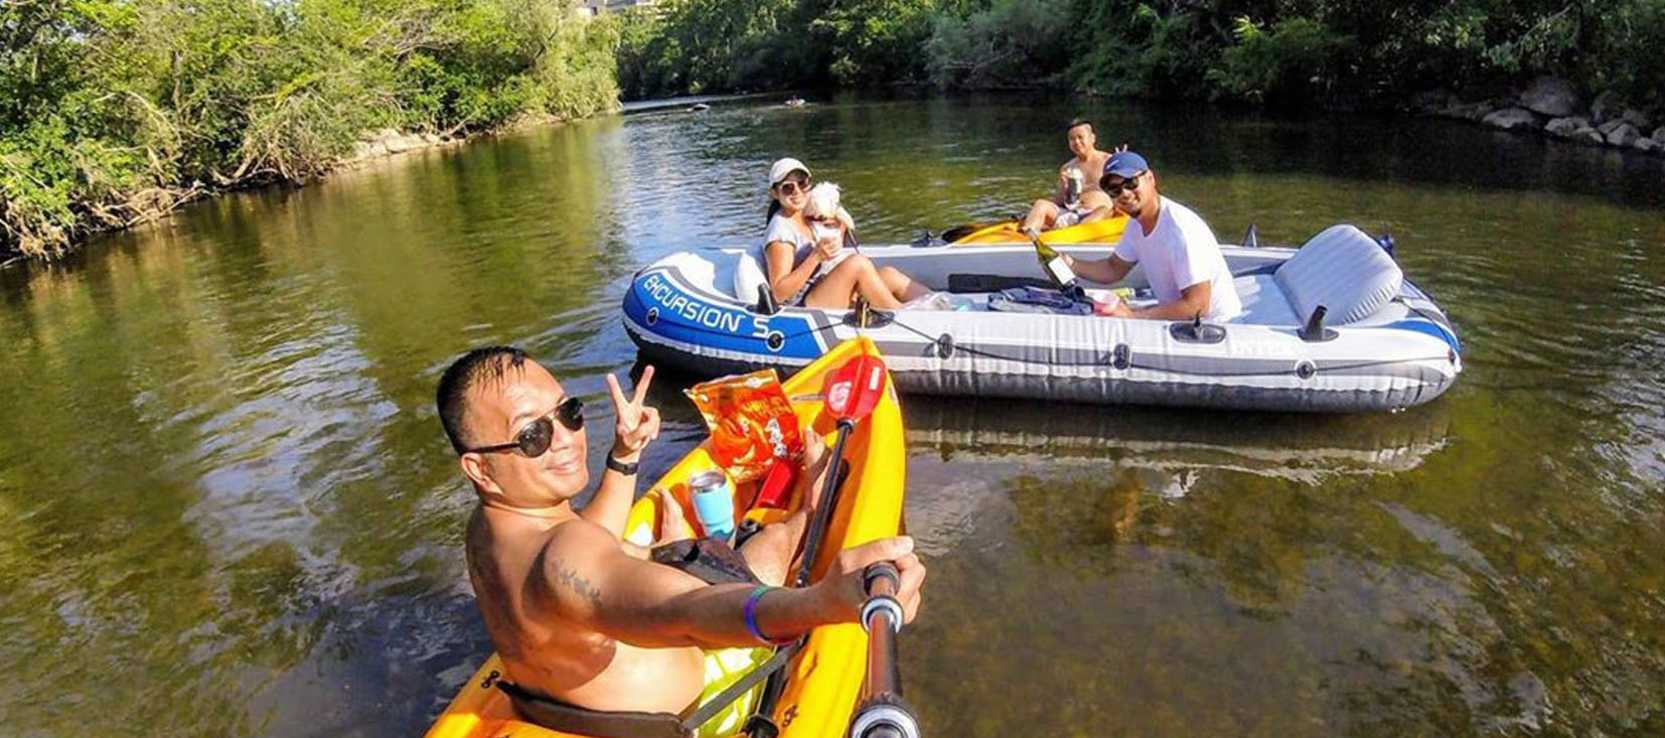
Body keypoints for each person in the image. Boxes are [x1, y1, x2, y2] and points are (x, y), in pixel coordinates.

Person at [435, 348, 925, 733]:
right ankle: (808, 513)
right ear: (479, 466)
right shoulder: (565, 557)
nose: (564, 437)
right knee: (761, 548)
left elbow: (582, 547)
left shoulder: (488, 529)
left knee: (666, 555)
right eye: (532, 436)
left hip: (567, 707)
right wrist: (820, 601)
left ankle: (686, 547)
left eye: (569, 412)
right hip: (694, 713)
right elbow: (691, 610)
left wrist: (625, 457)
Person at [1064, 151, 1243, 321]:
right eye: (1114, 190)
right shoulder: (1136, 223)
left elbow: (1198, 305)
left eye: (1131, 183)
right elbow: (1113, 268)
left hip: (1213, 325)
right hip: (1181, 318)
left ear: (1150, 178)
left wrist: (1134, 316)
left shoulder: (1179, 229)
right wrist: (1069, 263)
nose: (1125, 194)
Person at [760, 158, 928, 310]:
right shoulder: (780, 232)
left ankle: (944, 305)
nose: (797, 191)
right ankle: (902, 317)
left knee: (889, 275)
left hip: (825, 286)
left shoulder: (805, 214)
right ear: (775, 193)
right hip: (805, 305)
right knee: (857, 264)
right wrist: (815, 257)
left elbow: (838, 245)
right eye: (788, 188)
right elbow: (779, 293)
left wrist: (838, 226)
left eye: (802, 183)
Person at [1019, 119, 1116, 233]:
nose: (1076, 142)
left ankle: (1076, 233)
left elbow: (1121, 190)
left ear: (1092, 138)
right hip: (1070, 213)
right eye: (1072, 139)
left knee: (1103, 209)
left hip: (1096, 214)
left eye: (1080, 137)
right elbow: (1058, 202)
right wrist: (1065, 189)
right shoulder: (1067, 168)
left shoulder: (1109, 161)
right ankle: (1029, 237)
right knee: (1040, 204)